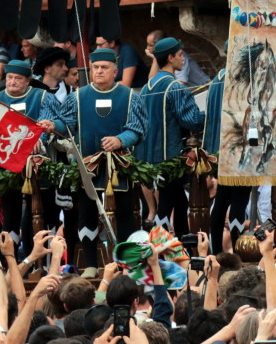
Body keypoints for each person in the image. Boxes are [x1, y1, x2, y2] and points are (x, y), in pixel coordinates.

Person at [43, 48, 145, 265]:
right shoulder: (77, 97)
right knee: (87, 215)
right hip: (87, 167)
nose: (99, 71)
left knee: (124, 213)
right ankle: (90, 265)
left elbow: (137, 129)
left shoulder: (129, 97)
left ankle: (126, 263)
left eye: (104, 68)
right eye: (95, 67)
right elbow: (67, 124)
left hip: (120, 169)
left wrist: (120, 140)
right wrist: (54, 125)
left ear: (115, 71)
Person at [137, 38, 204, 234]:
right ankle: (159, 249)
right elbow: (191, 121)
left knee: (180, 204)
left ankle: (183, 246)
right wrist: (210, 115)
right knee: (165, 206)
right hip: (170, 157)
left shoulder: (147, 87)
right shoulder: (174, 87)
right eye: (180, 54)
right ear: (170, 57)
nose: (183, 58)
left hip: (148, 158)